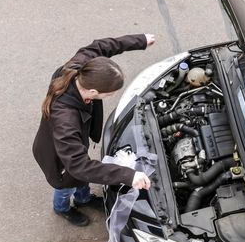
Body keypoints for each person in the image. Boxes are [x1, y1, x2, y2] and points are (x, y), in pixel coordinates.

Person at [33, 34, 155, 226]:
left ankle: (84, 199)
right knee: (65, 187)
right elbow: (79, 166)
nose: (112, 95)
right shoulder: (65, 119)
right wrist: (129, 176)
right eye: (110, 93)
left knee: (82, 179)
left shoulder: (79, 70)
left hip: (74, 148)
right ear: (93, 92)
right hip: (60, 162)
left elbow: (101, 46)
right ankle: (62, 208)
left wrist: (140, 40)